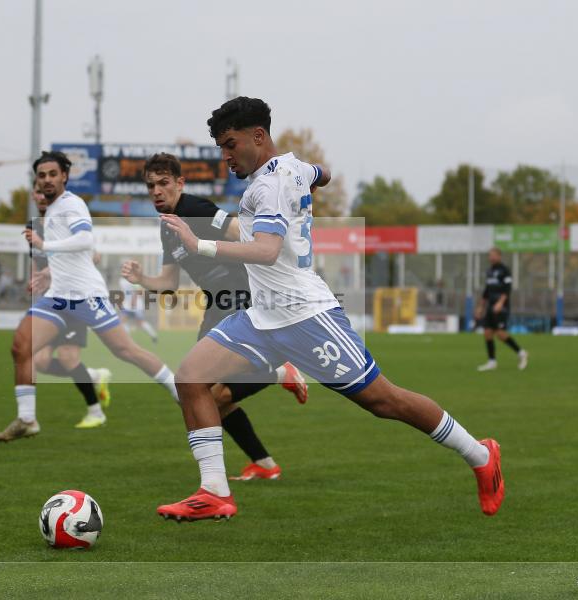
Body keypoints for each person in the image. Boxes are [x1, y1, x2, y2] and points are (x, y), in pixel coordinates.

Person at [155, 97, 504, 521]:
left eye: (230, 145)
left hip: (307, 316)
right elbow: (324, 173)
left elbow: (265, 251)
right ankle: (214, 492)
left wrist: (199, 245)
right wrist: (311, 179)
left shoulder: (270, 186)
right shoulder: (292, 168)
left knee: (384, 401)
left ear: (258, 136)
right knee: (191, 378)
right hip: (262, 315)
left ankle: (480, 454)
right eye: (221, 148)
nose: (225, 157)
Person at [121, 152, 309, 481]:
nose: (156, 191)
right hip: (217, 303)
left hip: (241, 297)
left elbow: (242, 232)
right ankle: (265, 465)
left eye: (164, 183)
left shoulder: (195, 209)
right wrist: (141, 279)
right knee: (205, 397)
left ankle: (278, 373)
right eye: (151, 185)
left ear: (180, 183)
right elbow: (168, 284)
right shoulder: (168, 227)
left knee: (199, 392)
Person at [0, 151, 178, 442]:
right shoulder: (51, 211)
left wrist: (44, 243)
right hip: (58, 297)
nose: (47, 180)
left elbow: (85, 240)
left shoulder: (71, 204)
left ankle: (179, 390)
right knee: (21, 347)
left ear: (64, 176)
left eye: (53, 174)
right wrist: (48, 273)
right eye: (42, 176)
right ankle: (27, 419)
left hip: (87, 296)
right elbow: (70, 256)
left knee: (126, 351)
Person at [0, 182, 112, 440]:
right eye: (35, 190)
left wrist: (48, 273)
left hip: (74, 296)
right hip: (50, 300)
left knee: (68, 358)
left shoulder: (69, 214)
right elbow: (38, 261)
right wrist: (36, 280)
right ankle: (92, 375)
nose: (40, 195)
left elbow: (94, 256)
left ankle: (95, 412)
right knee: (40, 361)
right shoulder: (32, 226)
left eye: (43, 189)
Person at [475, 247, 528, 371]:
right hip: (490, 306)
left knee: (500, 334)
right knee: (487, 332)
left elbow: (507, 289)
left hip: (501, 307)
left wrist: (500, 303)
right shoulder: (489, 271)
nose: (491, 257)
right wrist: (480, 307)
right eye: (490, 255)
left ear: (499, 256)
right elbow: (486, 291)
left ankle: (521, 352)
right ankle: (492, 361)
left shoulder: (505, 270)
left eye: (493, 255)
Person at [117, 276, 158, 343]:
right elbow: (124, 292)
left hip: (136, 305)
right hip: (127, 305)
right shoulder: (121, 280)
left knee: (140, 322)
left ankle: (153, 335)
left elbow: (138, 290)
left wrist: (134, 300)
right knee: (123, 320)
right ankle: (127, 339)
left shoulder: (134, 279)